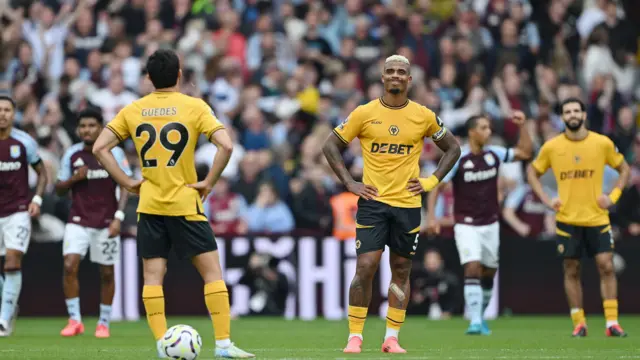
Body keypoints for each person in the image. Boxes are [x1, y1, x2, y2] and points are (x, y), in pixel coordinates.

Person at [92, 49, 254, 358]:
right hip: (185, 203)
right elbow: (227, 144)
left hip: (150, 205)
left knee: (153, 277)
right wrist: (209, 182)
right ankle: (222, 345)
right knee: (212, 274)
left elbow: (101, 148)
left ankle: (160, 347)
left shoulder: (133, 109)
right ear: (179, 75)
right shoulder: (194, 106)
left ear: (148, 78)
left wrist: (126, 182)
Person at [323, 54, 461, 354]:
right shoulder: (364, 113)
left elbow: (453, 147)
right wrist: (349, 183)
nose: (396, 75)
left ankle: (391, 337)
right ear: (382, 78)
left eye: (402, 71)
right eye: (390, 71)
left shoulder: (423, 115)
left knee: (401, 269)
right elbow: (330, 145)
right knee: (366, 266)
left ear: (409, 80)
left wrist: (432, 180)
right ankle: (355, 337)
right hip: (373, 203)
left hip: (408, 205)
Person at [526, 97, 630, 337]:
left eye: (576, 111)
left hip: (597, 218)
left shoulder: (601, 143)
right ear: (562, 118)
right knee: (571, 269)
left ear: (583, 115)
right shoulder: (553, 147)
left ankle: (612, 323)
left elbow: (624, 169)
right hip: (567, 219)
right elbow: (532, 171)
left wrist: (612, 197)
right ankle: (579, 322)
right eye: (567, 112)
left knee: (606, 266)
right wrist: (546, 199)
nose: (572, 115)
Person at [427, 112, 532, 335]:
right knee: (472, 265)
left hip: (490, 223)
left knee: (488, 272)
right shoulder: (458, 158)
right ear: (473, 132)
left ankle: (480, 315)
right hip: (466, 224)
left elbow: (525, 152)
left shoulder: (495, 153)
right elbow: (437, 186)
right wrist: (431, 217)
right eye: (484, 128)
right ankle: (474, 320)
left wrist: (522, 127)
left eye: (489, 127)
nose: (489, 132)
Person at [55, 109, 131, 338]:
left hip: (107, 222)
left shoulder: (114, 154)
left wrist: (119, 218)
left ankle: (104, 322)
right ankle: (75, 320)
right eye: (83, 126)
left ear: (101, 127)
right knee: (69, 265)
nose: (86, 130)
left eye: (91, 125)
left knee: (107, 273)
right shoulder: (71, 154)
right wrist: (73, 179)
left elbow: (126, 185)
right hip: (78, 220)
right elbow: (59, 190)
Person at [0, 96, 48, 336]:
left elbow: (42, 173)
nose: (2, 114)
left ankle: (4, 320)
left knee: (12, 261)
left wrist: (36, 200)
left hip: (17, 211)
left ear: (13, 113)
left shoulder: (24, 142)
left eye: (7, 110)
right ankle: (8, 307)